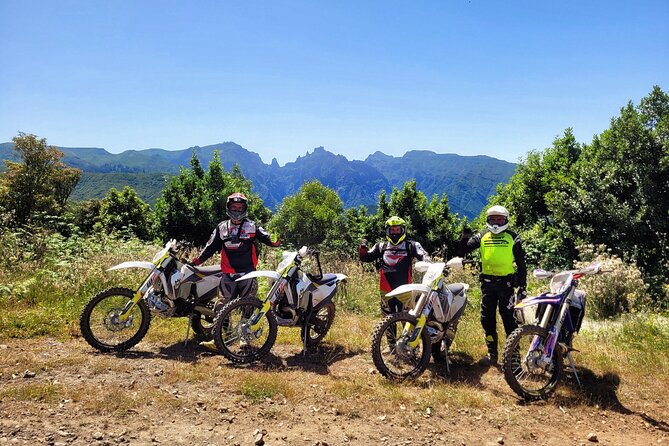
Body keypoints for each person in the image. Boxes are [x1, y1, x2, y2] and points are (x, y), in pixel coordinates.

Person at [458, 205, 527, 366]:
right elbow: (463, 250)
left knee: (509, 320)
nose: (496, 222)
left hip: (507, 285)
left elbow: (521, 264)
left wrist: (523, 287)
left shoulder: (513, 237)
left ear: (505, 220)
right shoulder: (483, 235)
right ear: (488, 220)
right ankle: (492, 351)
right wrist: (463, 238)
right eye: (493, 219)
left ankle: (514, 355)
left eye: (499, 219)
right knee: (486, 319)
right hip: (487, 285)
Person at [191, 192, 280, 309]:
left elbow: (266, 238)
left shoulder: (252, 225)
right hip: (228, 273)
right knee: (222, 306)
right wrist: (196, 262)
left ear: (244, 209)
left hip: (248, 273)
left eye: (240, 207)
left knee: (248, 306)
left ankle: (248, 327)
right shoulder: (221, 227)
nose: (237, 210)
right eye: (234, 207)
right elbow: (210, 247)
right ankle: (222, 327)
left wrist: (274, 240)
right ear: (229, 207)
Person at [359, 216, 429, 318]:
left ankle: (408, 335)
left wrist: (429, 264)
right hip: (386, 290)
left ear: (403, 230)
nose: (395, 232)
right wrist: (362, 249)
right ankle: (391, 334)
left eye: (397, 229)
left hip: (405, 289)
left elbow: (424, 256)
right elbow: (366, 258)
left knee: (408, 320)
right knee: (387, 322)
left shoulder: (411, 245)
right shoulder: (381, 246)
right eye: (392, 230)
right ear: (388, 231)